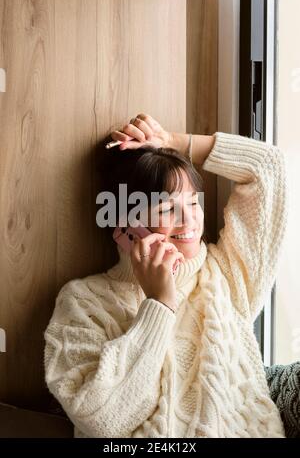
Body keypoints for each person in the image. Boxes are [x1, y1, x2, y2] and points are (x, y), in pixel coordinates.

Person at [44, 113, 288, 438]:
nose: (189, 221)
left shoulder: (226, 275)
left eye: (192, 202)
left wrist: (170, 141)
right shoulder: (83, 302)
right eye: (166, 209)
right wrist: (160, 305)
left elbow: (269, 167)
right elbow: (103, 421)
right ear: (124, 227)